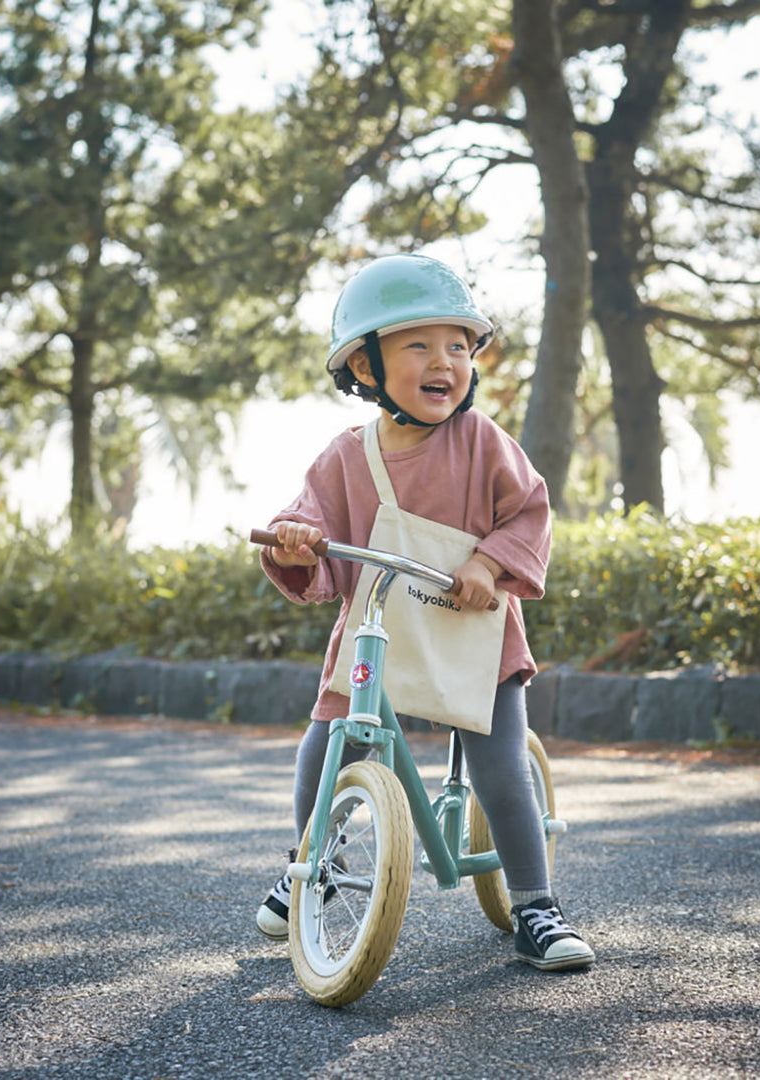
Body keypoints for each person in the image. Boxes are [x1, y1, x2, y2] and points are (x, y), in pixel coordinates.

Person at [254, 253, 594, 972]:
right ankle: (311, 863)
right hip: (378, 630)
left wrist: (489, 564)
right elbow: (309, 530)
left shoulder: (483, 442)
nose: (446, 362)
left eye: (459, 347)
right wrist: (295, 542)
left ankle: (535, 904)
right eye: (419, 345)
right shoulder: (345, 458)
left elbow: (530, 512)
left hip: (475, 634)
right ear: (366, 366)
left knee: (501, 769)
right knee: (327, 746)